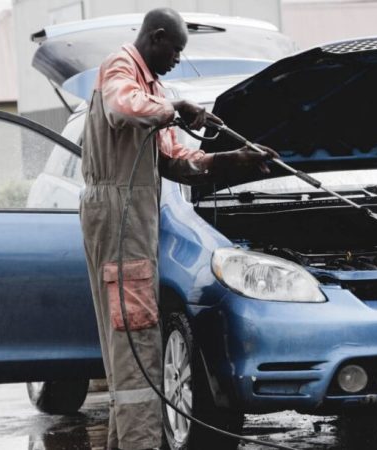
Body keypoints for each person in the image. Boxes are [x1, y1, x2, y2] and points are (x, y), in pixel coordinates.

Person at [79, 8, 278, 450]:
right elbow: (120, 107)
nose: (177, 59)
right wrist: (177, 108)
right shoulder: (121, 67)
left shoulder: (152, 86)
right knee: (137, 335)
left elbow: (176, 161)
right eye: (176, 50)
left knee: (130, 338)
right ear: (158, 37)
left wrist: (231, 160)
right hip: (119, 212)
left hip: (134, 212)